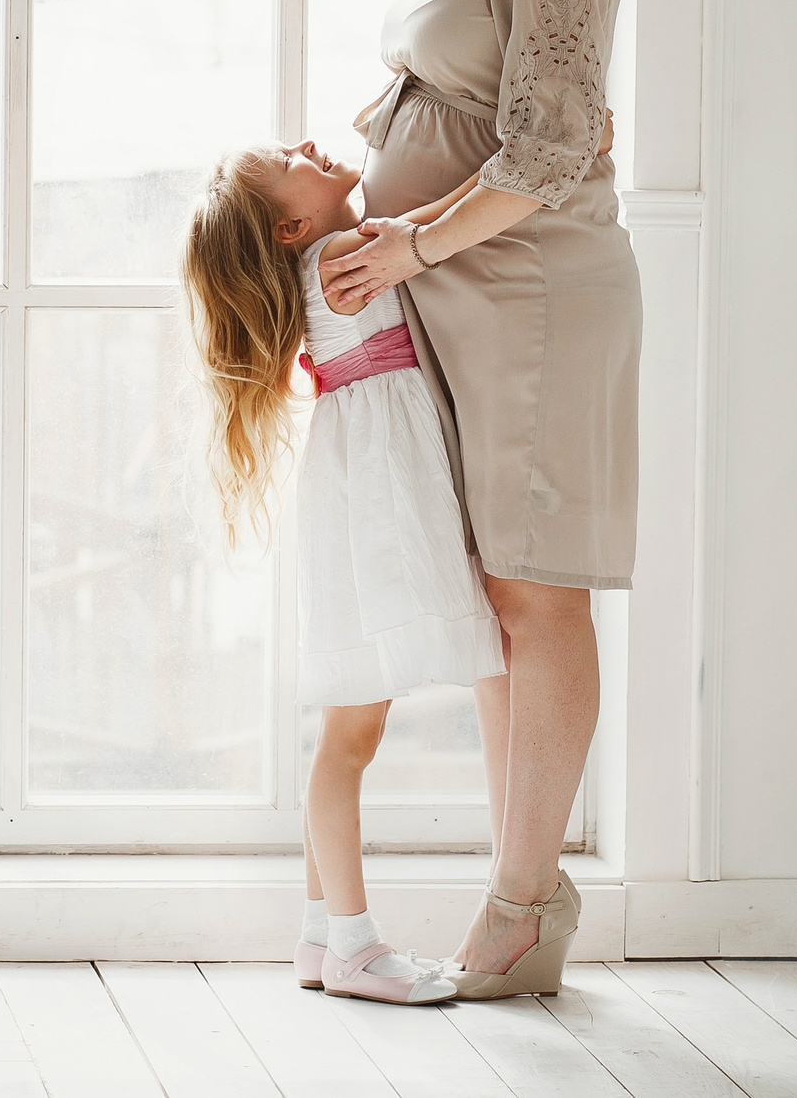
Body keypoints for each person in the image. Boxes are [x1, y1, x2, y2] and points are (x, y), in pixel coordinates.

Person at [312, 0, 641, 999]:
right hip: (461, 293)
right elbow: (497, 111)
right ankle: (516, 897)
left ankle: (521, 910)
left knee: (537, 591)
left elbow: (552, 147)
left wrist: (409, 239)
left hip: (533, 299)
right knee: (502, 603)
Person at [182, 140, 502, 1006]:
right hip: (378, 504)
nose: (306, 145)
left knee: (349, 733)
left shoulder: (326, 256)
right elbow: (440, 227)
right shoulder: (340, 257)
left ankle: (324, 935)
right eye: (288, 157)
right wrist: (533, 163)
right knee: (350, 738)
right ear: (294, 224)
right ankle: (356, 945)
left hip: (363, 492)